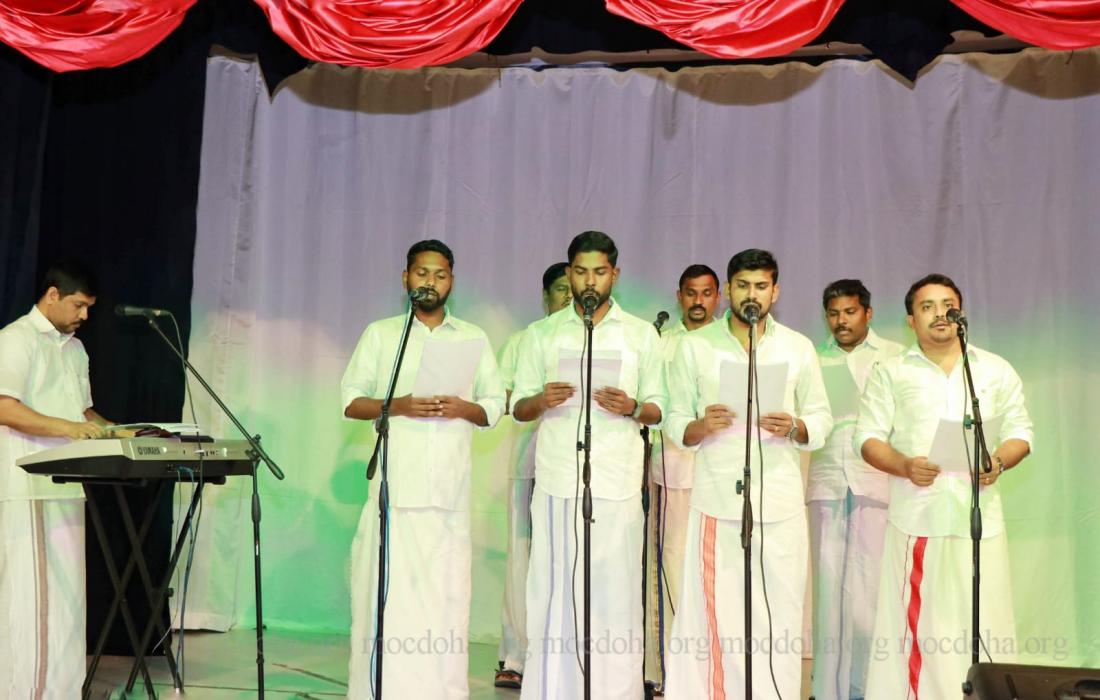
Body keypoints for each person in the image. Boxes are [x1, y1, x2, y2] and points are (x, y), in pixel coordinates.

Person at [664, 248, 832, 699]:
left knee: (779, 610)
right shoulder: (696, 346)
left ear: (775, 291)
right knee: (718, 615)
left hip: (779, 500)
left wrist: (794, 427)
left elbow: (821, 417)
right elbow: (674, 420)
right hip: (718, 500)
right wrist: (701, 426)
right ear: (728, 290)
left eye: (760, 286)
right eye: (742, 285)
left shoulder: (797, 347)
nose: (751, 294)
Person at [855, 273, 1032, 699]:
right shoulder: (891, 371)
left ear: (960, 312)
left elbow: (1021, 432)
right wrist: (904, 465)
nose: (940, 314)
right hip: (921, 518)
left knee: (984, 618)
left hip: (979, 520)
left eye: (947, 305)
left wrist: (997, 462)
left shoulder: (992, 368)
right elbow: (867, 438)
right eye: (927, 306)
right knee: (924, 630)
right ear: (911, 320)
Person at [342, 239, 505, 699]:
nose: (430, 281)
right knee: (390, 604)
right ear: (406, 278)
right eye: (421, 273)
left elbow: (495, 404)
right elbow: (351, 401)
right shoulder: (382, 335)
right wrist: (400, 405)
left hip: (449, 497)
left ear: (451, 281)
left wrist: (464, 408)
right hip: (396, 494)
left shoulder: (472, 337)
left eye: (439, 274)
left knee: (445, 606)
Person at [512, 230, 666, 700]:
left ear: (614, 274)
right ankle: (553, 689)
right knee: (554, 589)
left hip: (617, 483)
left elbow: (660, 408)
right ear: (569, 273)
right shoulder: (542, 334)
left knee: (615, 594)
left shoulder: (640, 334)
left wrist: (632, 406)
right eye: (580, 272)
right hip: (558, 480)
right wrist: (541, 400)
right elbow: (518, 407)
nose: (589, 281)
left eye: (599, 272)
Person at [0, 261, 114, 695]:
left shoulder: (76, 349)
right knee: (33, 602)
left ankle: (63, 691)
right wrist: (70, 427)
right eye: (78, 305)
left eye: (88, 308)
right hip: (27, 487)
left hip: (67, 484)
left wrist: (119, 433)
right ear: (52, 295)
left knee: (68, 602)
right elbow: (4, 406)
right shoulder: (16, 339)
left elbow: (81, 412)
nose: (84, 315)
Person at [806, 279, 903, 700]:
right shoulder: (813, 358)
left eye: (849, 312)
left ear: (868, 313)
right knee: (827, 591)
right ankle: (827, 688)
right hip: (828, 480)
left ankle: (870, 687)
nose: (840, 321)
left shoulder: (894, 356)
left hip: (875, 481)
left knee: (870, 591)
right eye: (833, 314)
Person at [494, 261, 572, 689]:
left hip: (573, 470)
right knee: (523, 559)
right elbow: (502, 398)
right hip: (529, 465)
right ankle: (516, 655)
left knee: (566, 560)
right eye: (560, 288)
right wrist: (537, 396)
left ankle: (561, 653)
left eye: (572, 286)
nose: (568, 294)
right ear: (545, 297)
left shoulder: (592, 340)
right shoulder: (524, 340)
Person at [644, 263, 721, 694]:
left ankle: (709, 668)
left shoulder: (726, 344)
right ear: (679, 296)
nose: (698, 301)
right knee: (671, 569)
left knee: (712, 573)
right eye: (691, 293)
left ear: (718, 297)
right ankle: (668, 670)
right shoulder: (663, 343)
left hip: (719, 476)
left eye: (706, 293)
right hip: (672, 471)